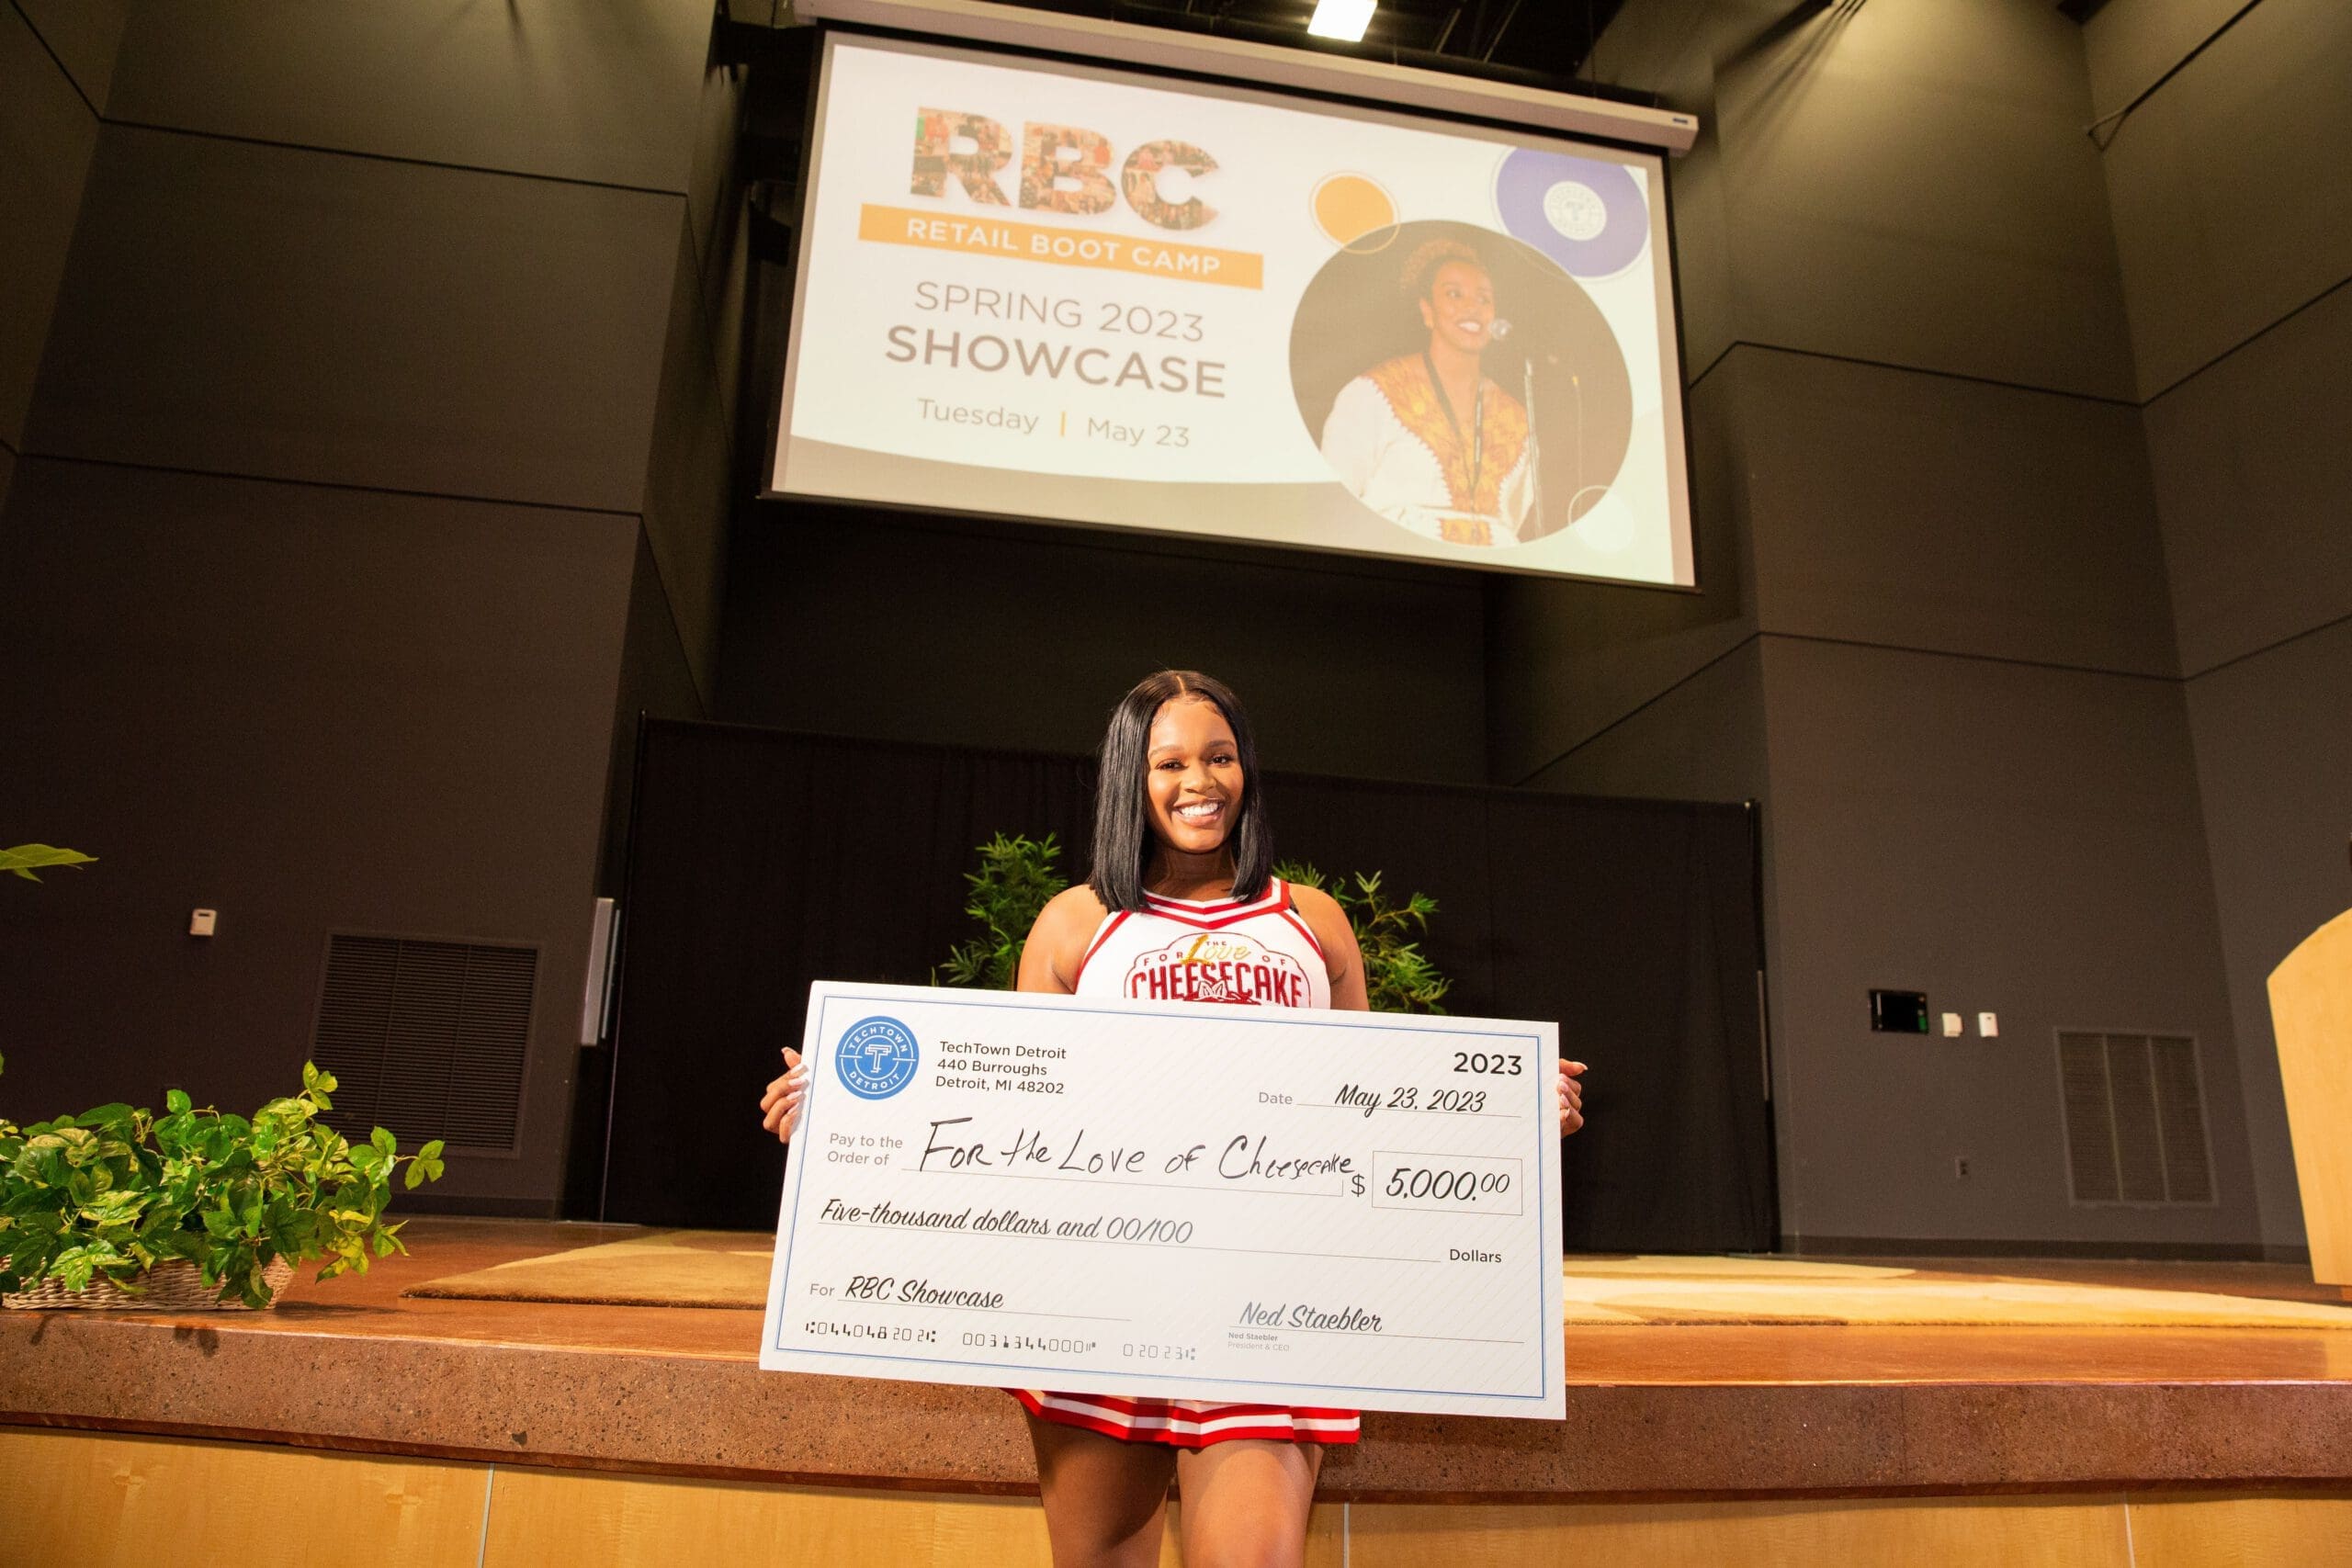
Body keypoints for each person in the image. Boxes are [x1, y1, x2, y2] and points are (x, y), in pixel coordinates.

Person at [763, 671, 1587, 1567]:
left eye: (1220, 756)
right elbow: (999, 1115)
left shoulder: (1314, 924)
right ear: (1131, 777)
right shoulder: (1076, 924)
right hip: (1098, 1312)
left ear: (1248, 771)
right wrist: (846, 1115)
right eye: (1171, 762)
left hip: (1272, 1313)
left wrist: (1504, 1119)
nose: (1200, 780)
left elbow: (1368, 1110)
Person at [1318, 238, 1537, 548]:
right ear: (1427, 311)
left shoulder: (1516, 417)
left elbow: (1516, 515)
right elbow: (1334, 506)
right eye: (1454, 295)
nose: (1472, 307)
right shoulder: (1373, 394)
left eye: (1484, 299)